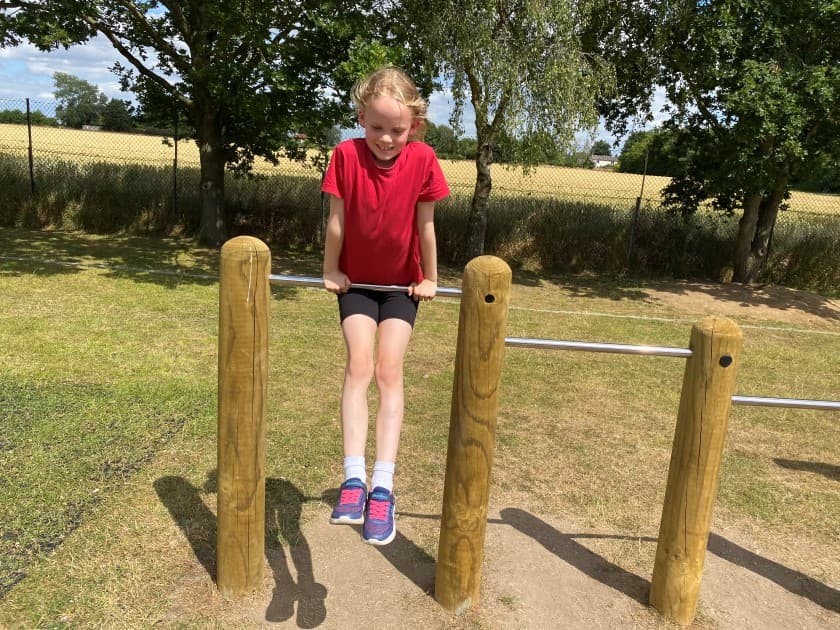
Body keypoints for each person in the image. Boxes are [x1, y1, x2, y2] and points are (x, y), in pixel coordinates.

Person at [321, 66, 450, 546]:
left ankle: (383, 485)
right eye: (376, 127)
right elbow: (336, 221)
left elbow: (425, 227)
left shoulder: (424, 159)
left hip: (401, 286)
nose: (385, 139)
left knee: (388, 371)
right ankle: (353, 479)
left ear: (413, 125)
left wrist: (431, 278)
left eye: (396, 130)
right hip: (356, 281)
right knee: (358, 365)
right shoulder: (345, 155)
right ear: (360, 119)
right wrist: (332, 270)